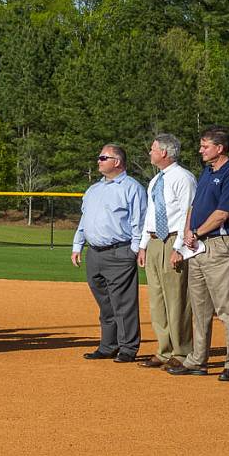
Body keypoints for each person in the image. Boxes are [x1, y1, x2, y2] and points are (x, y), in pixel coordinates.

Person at [166, 126, 229, 381]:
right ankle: (197, 359)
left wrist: (197, 232)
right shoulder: (206, 171)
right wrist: (189, 232)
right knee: (199, 307)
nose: (201, 150)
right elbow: (194, 206)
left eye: (205, 146)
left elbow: (223, 213)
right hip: (197, 245)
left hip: (219, 245)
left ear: (219, 148)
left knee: (226, 308)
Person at [71, 144, 147, 363]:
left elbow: (138, 222)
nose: (99, 160)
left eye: (104, 157)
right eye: (99, 157)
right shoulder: (94, 189)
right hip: (94, 253)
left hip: (119, 252)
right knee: (105, 302)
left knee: (123, 302)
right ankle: (108, 345)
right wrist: (78, 245)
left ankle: (128, 347)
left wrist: (133, 251)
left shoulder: (131, 187)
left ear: (117, 162)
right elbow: (84, 220)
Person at [136, 134, 196, 369]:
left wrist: (179, 248)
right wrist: (142, 245)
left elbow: (188, 214)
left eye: (152, 149)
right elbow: (150, 215)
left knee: (177, 299)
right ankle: (164, 350)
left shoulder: (184, 178)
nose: (150, 152)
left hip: (173, 240)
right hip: (153, 242)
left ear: (164, 152)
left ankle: (182, 353)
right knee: (157, 300)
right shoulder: (155, 181)